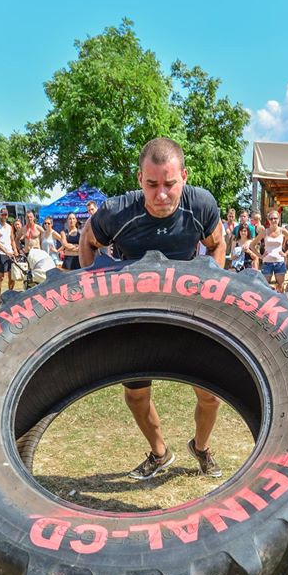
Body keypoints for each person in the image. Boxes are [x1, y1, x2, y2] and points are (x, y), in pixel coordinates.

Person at [79, 135, 225, 481]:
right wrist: (95, 291)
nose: (161, 195)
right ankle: (160, 453)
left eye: (170, 184)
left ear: (184, 177)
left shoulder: (200, 204)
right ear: (139, 179)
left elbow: (217, 243)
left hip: (187, 313)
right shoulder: (117, 211)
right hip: (136, 316)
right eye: (152, 184)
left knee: (211, 395)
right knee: (136, 396)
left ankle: (201, 448)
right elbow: (88, 241)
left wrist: (211, 287)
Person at [251, 210, 288, 291]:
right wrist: (260, 256)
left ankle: (280, 299)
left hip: (279, 262)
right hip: (267, 262)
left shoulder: (283, 230)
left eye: (275, 218)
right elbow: (252, 245)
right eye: (271, 219)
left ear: (278, 219)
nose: (273, 220)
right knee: (264, 287)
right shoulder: (265, 232)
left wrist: (286, 254)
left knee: (280, 286)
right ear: (268, 220)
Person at [0, 207, 17, 299]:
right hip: (1, 253)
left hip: (10, 252)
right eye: (2, 214)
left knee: (12, 276)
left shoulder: (10, 227)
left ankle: (10, 295)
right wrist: (6, 252)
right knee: (1, 276)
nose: (4, 216)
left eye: (5, 214)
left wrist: (15, 250)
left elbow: (12, 240)